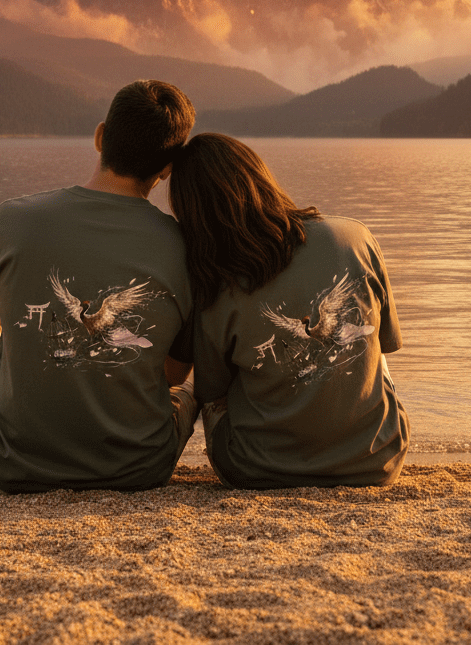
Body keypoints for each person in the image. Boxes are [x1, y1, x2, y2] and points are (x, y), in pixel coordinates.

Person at [0, 80, 198, 493]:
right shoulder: (184, 247)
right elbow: (172, 374)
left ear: (100, 137)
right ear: (167, 168)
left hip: (13, 470)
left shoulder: (14, 220)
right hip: (139, 469)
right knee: (199, 373)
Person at [168, 133, 409, 488]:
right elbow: (386, 344)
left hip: (255, 469)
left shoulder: (214, 286)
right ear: (259, 177)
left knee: (201, 386)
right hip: (377, 460)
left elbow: (213, 392)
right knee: (370, 345)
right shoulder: (355, 237)